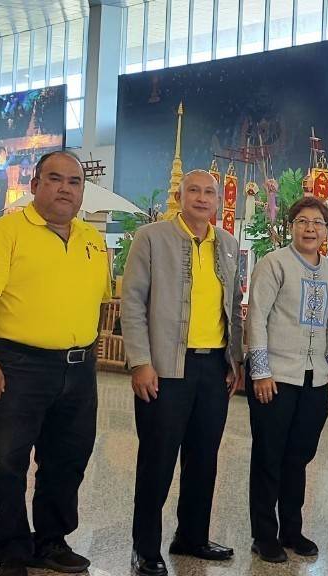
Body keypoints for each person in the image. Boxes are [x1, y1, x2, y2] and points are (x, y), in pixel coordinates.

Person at [0, 150, 110, 576]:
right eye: (55, 179)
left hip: (79, 368)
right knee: (9, 459)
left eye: (74, 182)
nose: (65, 188)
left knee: (68, 458)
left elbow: (97, 300)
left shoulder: (92, 239)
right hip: (19, 365)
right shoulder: (3, 233)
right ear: (35, 185)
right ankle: (10, 548)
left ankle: (51, 541)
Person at [120, 170, 244, 576]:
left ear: (217, 200)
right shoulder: (151, 238)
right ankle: (145, 548)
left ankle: (192, 536)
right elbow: (132, 302)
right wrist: (140, 362)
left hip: (214, 367)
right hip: (166, 367)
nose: (202, 198)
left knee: (204, 458)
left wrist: (234, 361)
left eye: (210, 192)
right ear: (179, 195)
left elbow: (233, 306)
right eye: (194, 190)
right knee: (157, 460)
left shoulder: (227, 244)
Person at [244, 196, 328, 563]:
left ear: (325, 231)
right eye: (303, 221)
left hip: (314, 380)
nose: (310, 228)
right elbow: (257, 317)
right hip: (275, 377)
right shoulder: (274, 263)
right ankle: (263, 535)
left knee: (298, 456)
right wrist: (260, 371)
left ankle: (291, 530)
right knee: (268, 456)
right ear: (291, 227)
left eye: (317, 223)